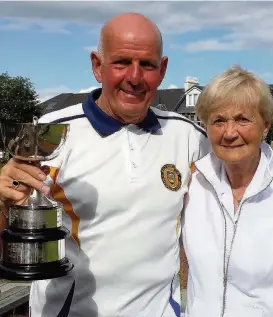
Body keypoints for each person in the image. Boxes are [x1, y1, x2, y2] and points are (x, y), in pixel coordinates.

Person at [0, 13, 208, 317]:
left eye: (147, 65)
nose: (135, 78)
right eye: (121, 62)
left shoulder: (189, 136)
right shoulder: (50, 133)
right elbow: (12, 233)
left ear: (162, 70)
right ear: (97, 66)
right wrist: (3, 203)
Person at [182, 65, 273, 317]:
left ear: (265, 126)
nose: (230, 133)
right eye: (219, 120)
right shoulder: (193, 183)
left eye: (243, 119)